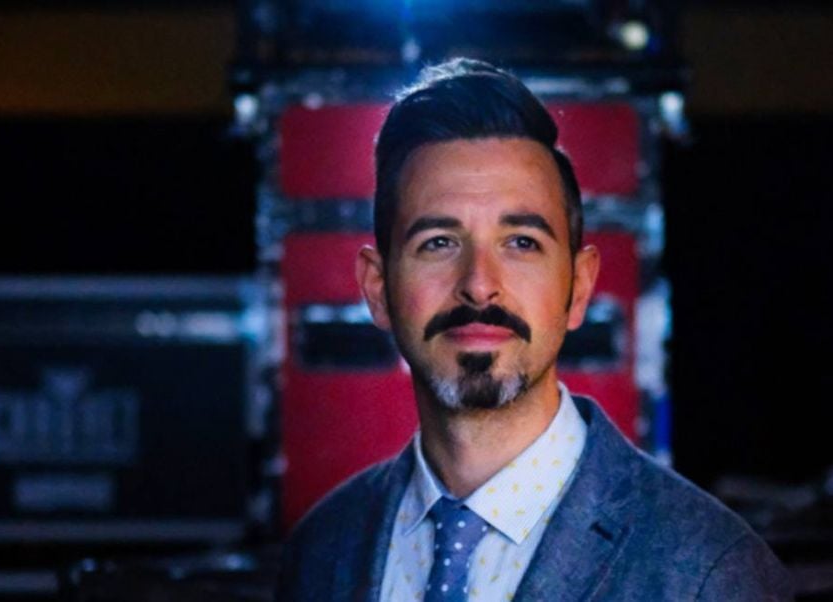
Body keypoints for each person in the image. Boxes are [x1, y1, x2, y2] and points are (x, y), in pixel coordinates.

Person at [276, 58, 791, 601]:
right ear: (377, 288)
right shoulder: (322, 549)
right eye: (438, 243)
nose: (479, 286)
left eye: (522, 242)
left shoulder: (712, 571)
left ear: (581, 286)